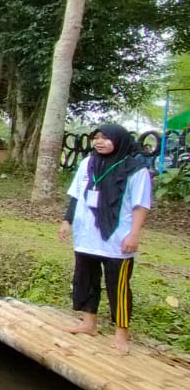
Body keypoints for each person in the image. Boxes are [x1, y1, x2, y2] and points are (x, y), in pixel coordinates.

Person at [57, 123, 152, 354]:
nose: (99, 142)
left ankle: (121, 335)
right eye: (97, 137)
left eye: (106, 137)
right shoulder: (88, 163)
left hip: (117, 238)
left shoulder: (136, 169)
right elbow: (76, 195)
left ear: (119, 140)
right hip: (86, 235)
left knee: (117, 286)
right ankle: (89, 323)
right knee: (85, 279)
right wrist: (67, 221)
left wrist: (134, 234)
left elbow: (141, 205)